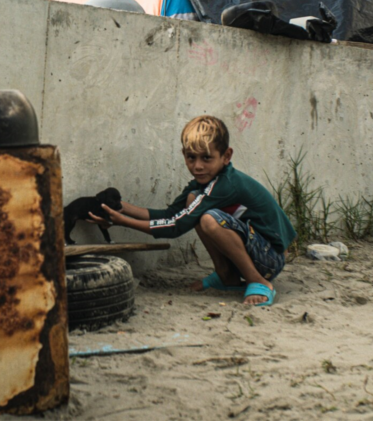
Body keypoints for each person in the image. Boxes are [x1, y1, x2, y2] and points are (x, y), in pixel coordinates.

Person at [89, 115, 295, 306]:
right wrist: (120, 208)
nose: (197, 166)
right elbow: (170, 215)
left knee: (208, 219)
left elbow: (176, 226)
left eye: (206, 158)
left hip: (270, 258)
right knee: (193, 202)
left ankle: (257, 281)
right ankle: (226, 276)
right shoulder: (203, 185)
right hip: (257, 251)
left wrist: (122, 221)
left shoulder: (226, 184)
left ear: (226, 156)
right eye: (191, 158)